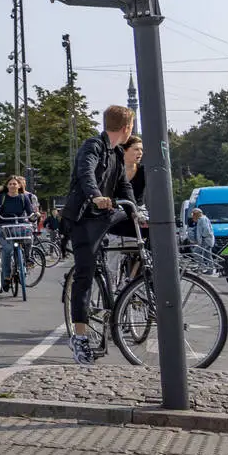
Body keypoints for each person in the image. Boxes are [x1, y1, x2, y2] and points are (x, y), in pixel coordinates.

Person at [61, 105, 137, 365]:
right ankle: (79, 338)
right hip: (84, 216)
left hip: (104, 214)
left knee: (138, 234)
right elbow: (86, 174)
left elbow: (124, 186)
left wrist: (136, 211)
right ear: (127, 127)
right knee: (85, 272)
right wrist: (96, 196)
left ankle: (131, 284)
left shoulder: (117, 152)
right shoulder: (92, 146)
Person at [0, 175, 39, 292]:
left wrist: (34, 216)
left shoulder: (23, 198)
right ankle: (6, 276)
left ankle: (27, 258)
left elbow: (30, 212)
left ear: (19, 185)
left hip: (19, 227)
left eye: (14, 184)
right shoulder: (1, 197)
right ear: (7, 186)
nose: (12, 186)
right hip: (4, 227)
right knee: (7, 250)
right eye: (10, 184)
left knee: (29, 238)